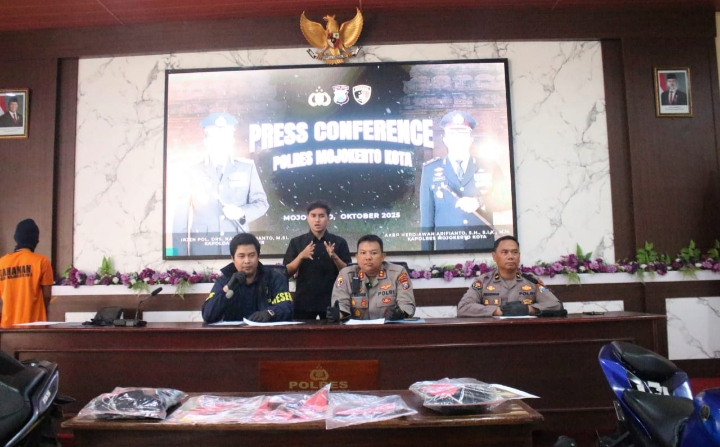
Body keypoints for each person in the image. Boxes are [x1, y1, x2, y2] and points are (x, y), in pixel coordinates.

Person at [172, 112, 269, 256]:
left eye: (224, 137)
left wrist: (241, 212)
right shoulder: (192, 171)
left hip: (239, 249)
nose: (220, 142)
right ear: (206, 141)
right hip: (203, 249)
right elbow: (180, 219)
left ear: (231, 141)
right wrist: (179, 258)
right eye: (214, 137)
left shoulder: (246, 168)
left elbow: (262, 204)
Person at [419, 110, 507, 251]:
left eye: (463, 134)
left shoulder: (489, 166)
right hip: (446, 251)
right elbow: (427, 220)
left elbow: (505, 200)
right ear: (445, 139)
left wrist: (479, 202)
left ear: (471, 139)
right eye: (452, 134)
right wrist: (426, 255)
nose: (457, 139)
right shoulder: (430, 170)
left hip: (482, 248)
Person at [457, 235, 562, 317]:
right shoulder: (483, 282)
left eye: (515, 252)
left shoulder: (532, 281)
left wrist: (529, 309)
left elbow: (556, 304)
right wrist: (497, 311)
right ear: (494, 256)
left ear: (519, 256)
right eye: (505, 252)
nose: (510, 256)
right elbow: (463, 307)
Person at [202, 233, 293, 323]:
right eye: (241, 256)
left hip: (267, 331)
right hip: (234, 332)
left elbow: (287, 307)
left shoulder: (274, 278)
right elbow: (208, 315)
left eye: (251, 255)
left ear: (258, 256)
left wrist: (270, 313)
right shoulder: (224, 281)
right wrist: (228, 287)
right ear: (233, 258)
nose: (247, 261)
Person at [283, 200, 351, 319]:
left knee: (334, 331)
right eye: (313, 216)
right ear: (307, 218)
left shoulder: (339, 242)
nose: (317, 220)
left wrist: (335, 257)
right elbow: (286, 272)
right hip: (304, 302)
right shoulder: (297, 242)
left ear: (328, 218)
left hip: (332, 300)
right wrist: (301, 256)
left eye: (321, 216)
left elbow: (348, 273)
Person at [330, 234, 415, 320]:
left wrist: (400, 313)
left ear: (382, 257)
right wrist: (338, 314)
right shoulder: (346, 275)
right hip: (356, 328)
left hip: (389, 327)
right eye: (363, 253)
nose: (368, 257)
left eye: (374, 253)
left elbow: (407, 304)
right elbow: (341, 304)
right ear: (357, 257)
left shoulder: (398, 273)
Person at [0, 219, 54, 328]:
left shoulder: (2, 263)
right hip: (34, 327)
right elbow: (47, 296)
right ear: (36, 240)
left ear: (16, 238)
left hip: (6, 328)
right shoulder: (42, 261)